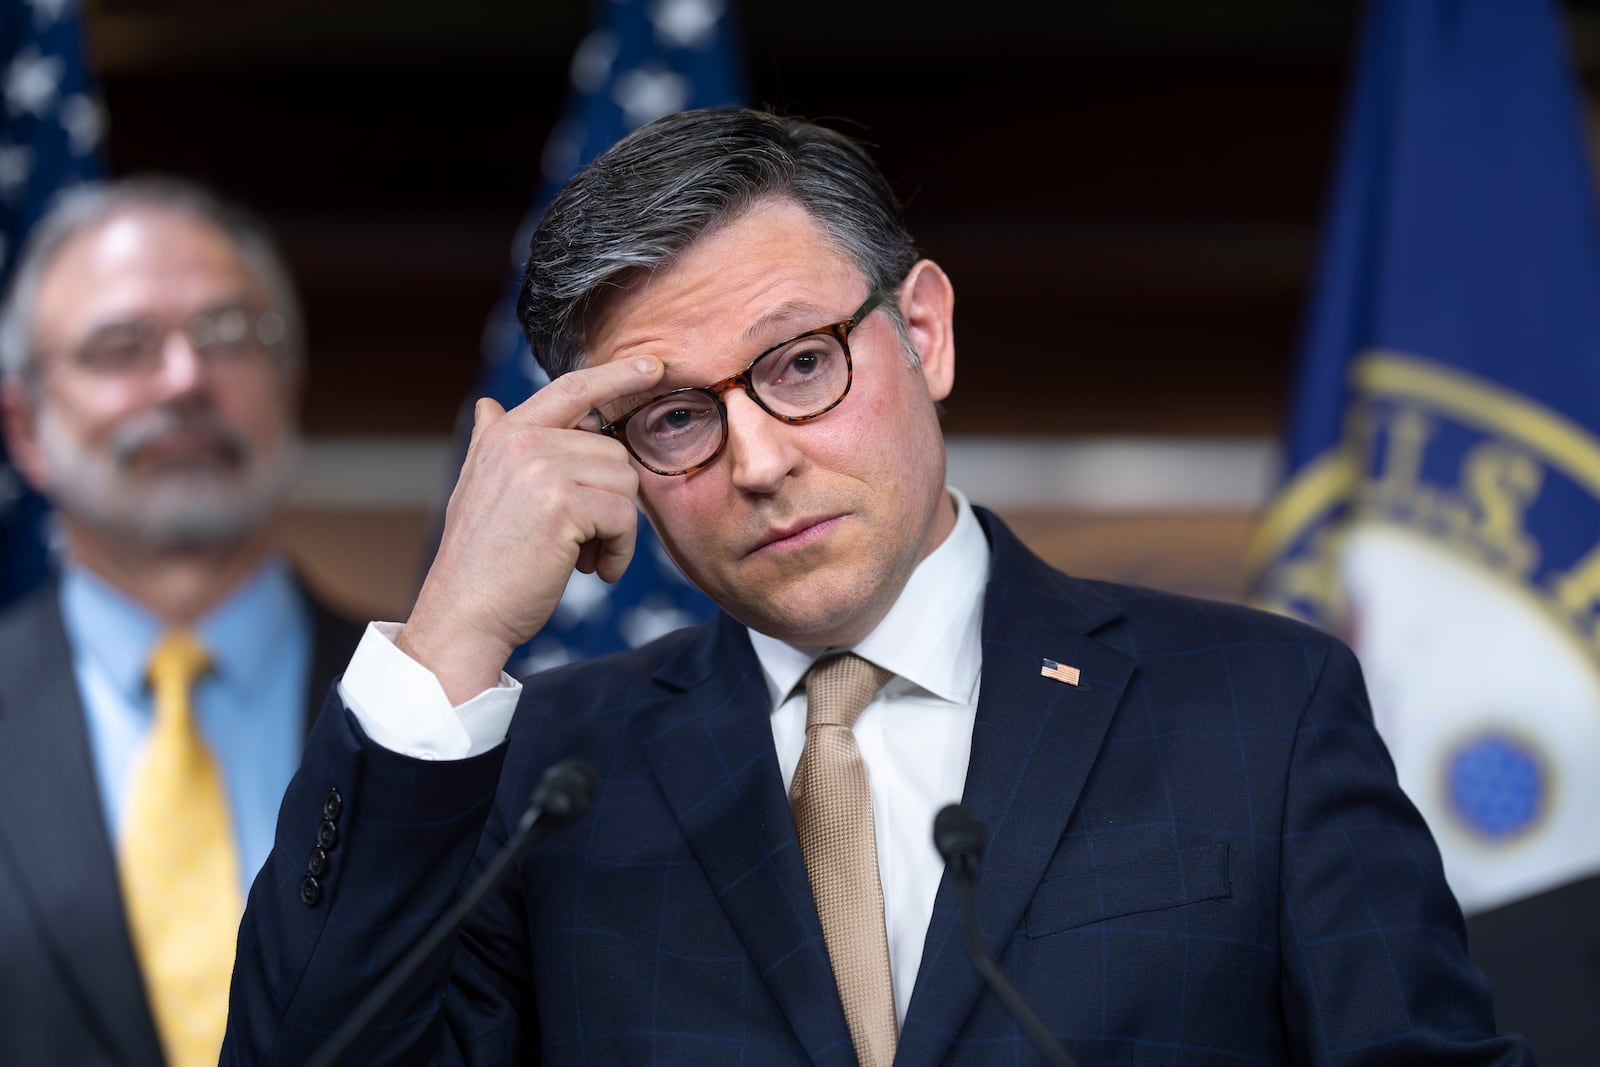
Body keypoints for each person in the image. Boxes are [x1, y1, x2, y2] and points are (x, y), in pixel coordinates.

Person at [224, 109, 1534, 1065]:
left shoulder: (1260, 706)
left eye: (799, 363)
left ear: (923, 331)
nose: (758, 458)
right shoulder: (547, 780)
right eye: (673, 417)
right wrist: (454, 625)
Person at [0, 177, 363, 1067]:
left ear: (291, 384)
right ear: (27, 429)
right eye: (121, 345)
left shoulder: (447, 705)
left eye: (229, 334)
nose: (187, 378)